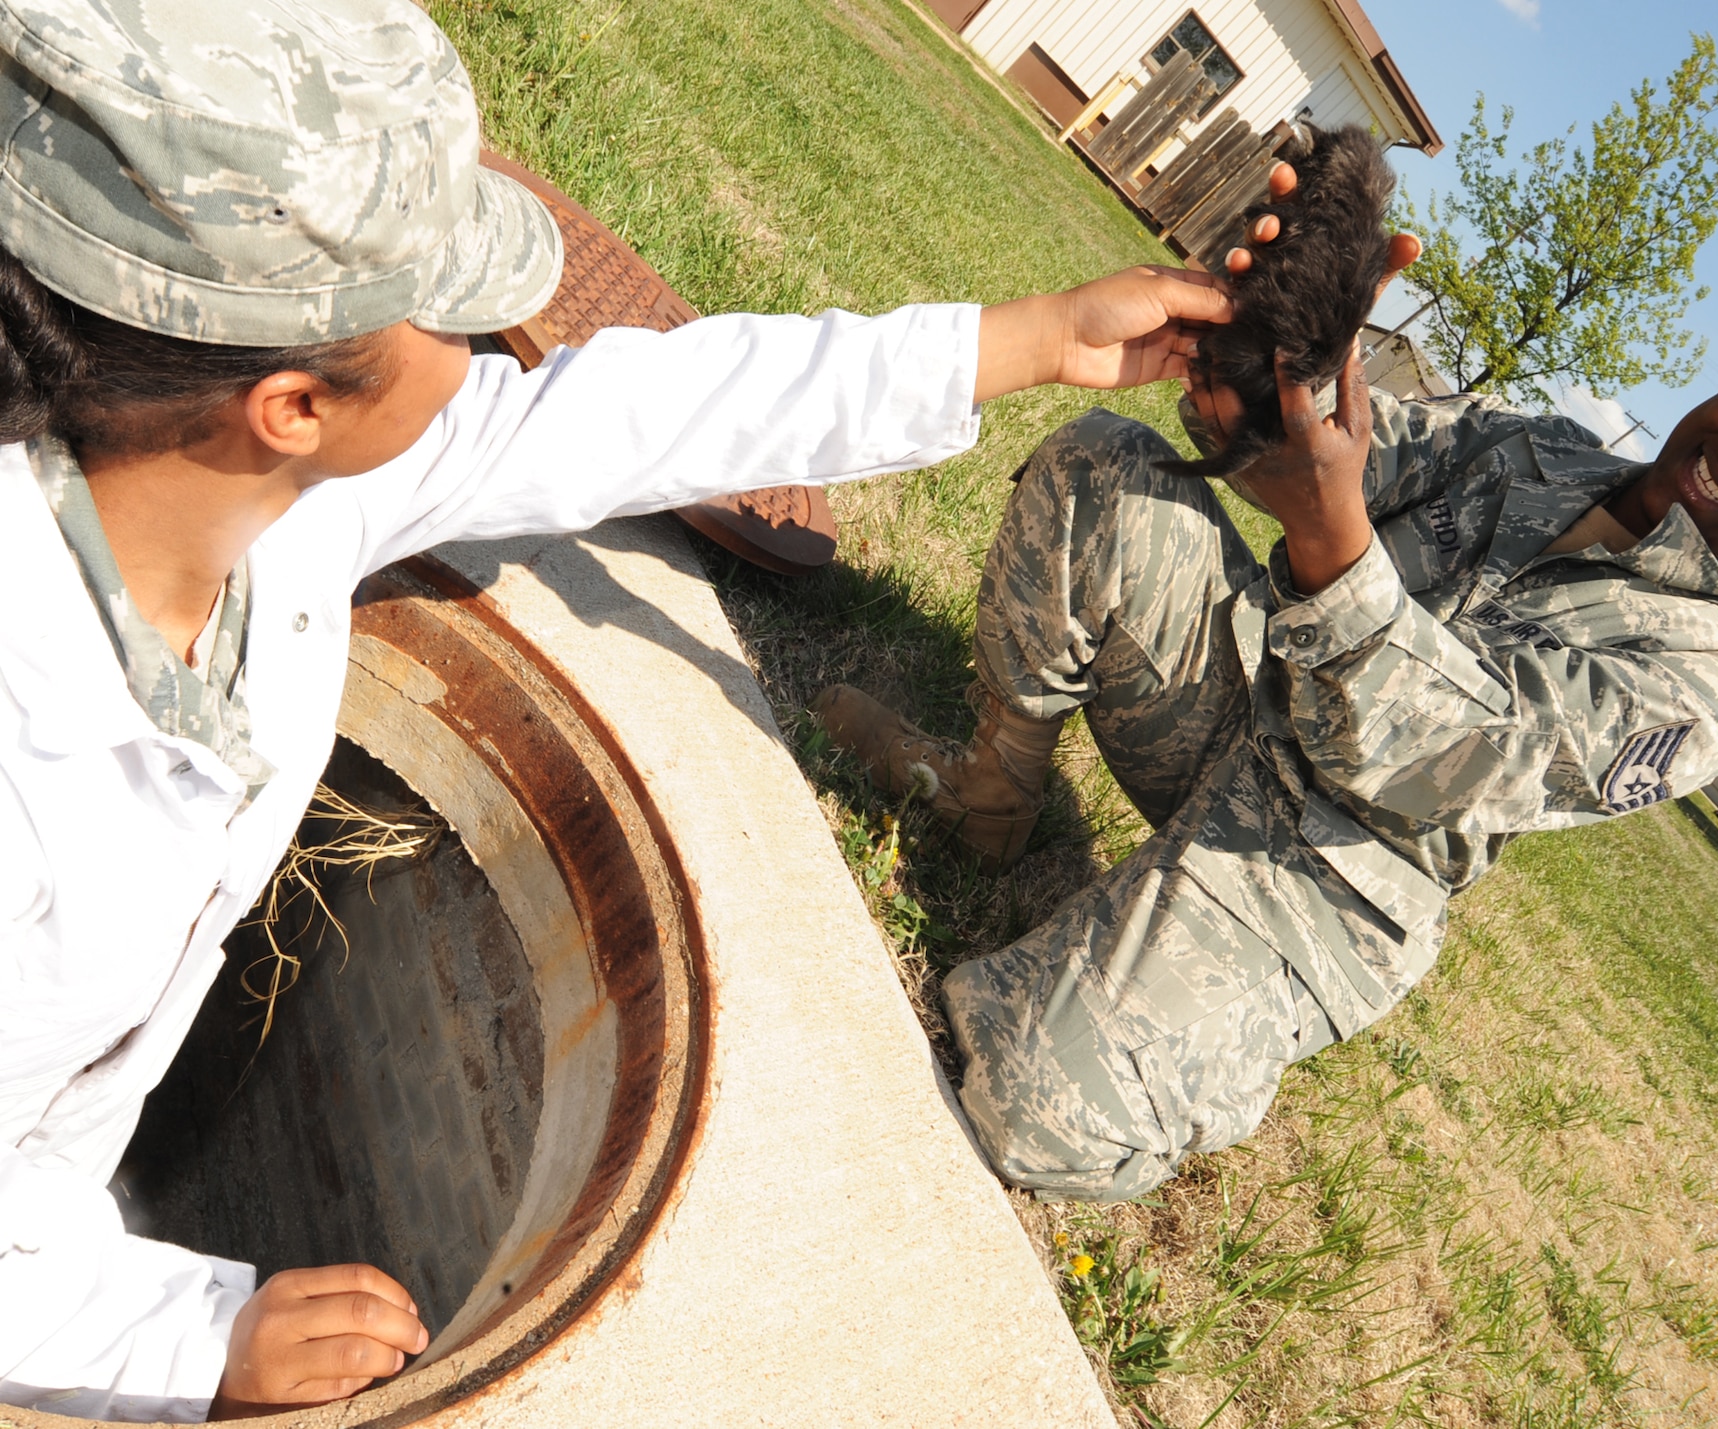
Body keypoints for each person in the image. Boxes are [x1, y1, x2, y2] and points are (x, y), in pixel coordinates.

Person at [0, 0, 1239, 1419]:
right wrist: (188, 1338)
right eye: (440, 311)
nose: (482, 345)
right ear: (290, 401)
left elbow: (623, 417)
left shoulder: (244, 486)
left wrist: (1029, 340)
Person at [818, 166, 1718, 1203]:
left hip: (1333, 869)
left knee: (1035, 1107)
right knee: (1105, 463)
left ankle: (1207, 1031)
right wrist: (1289, 344)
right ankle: (989, 802)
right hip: (1239, 705)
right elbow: (1332, 447)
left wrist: (1330, 541)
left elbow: (1458, 757)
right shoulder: (1531, 445)